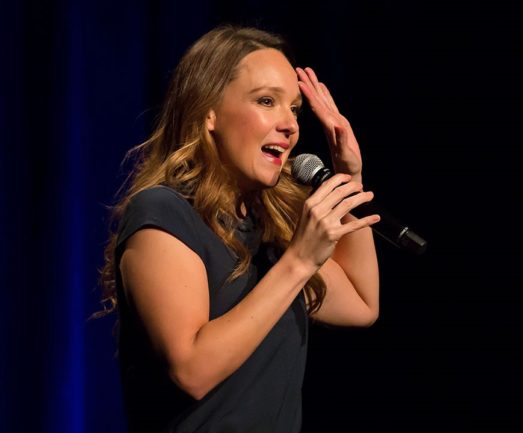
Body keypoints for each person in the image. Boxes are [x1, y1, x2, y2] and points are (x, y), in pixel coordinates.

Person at [98, 25, 380, 433]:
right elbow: (190, 370)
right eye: (267, 101)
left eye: (295, 109)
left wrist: (349, 176)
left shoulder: (270, 231)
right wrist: (299, 261)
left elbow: (361, 304)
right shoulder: (162, 213)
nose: (290, 125)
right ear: (208, 112)